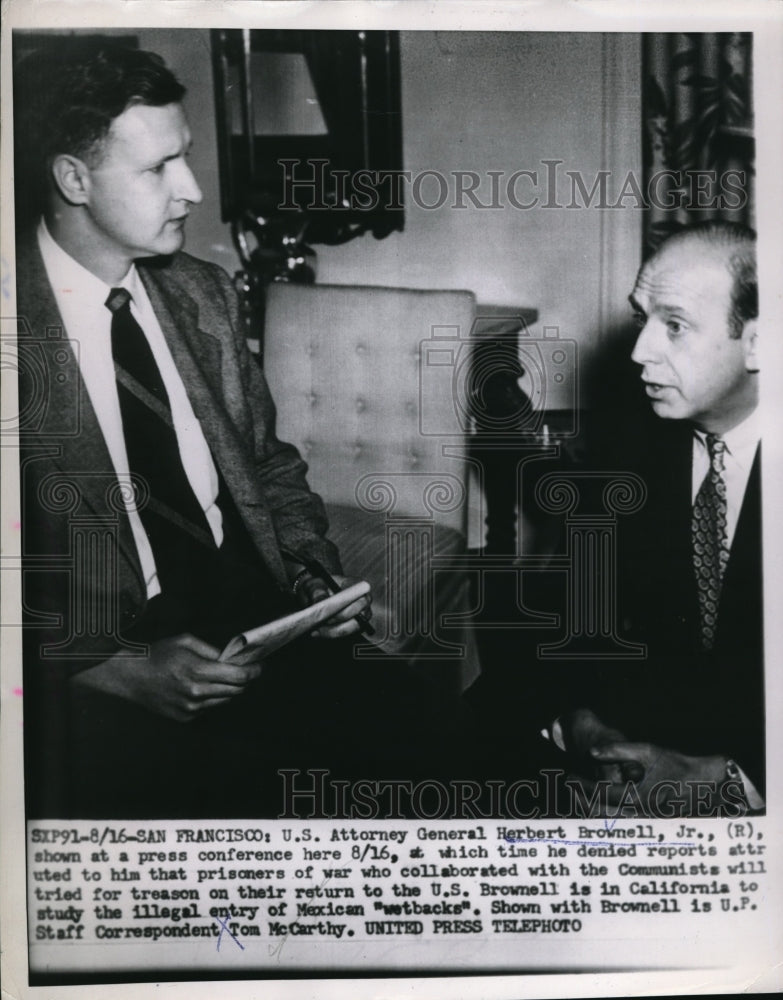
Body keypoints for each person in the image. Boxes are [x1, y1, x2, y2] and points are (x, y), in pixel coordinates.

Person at [14, 43, 446, 818]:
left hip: (260, 623)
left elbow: (270, 468)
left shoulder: (202, 294)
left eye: (185, 158)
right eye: (157, 170)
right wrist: (105, 669)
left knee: (458, 762)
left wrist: (313, 579)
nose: (191, 189)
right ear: (72, 179)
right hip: (97, 674)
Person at [546, 221, 763, 815]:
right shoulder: (626, 442)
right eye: (641, 318)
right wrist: (582, 724)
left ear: (759, 342)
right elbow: (577, 613)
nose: (640, 350)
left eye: (674, 325)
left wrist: (725, 780)